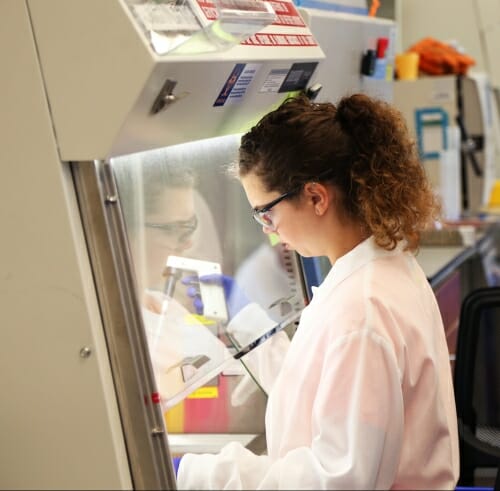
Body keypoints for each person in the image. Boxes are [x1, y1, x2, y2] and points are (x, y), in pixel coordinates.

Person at [176, 93, 460, 489]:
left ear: (315, 197)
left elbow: (336, 479)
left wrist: (198, 474)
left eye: (266, 212)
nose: (266, 229)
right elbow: (321, 388)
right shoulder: (381, 267)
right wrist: (243, 316)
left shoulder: (362, 309)